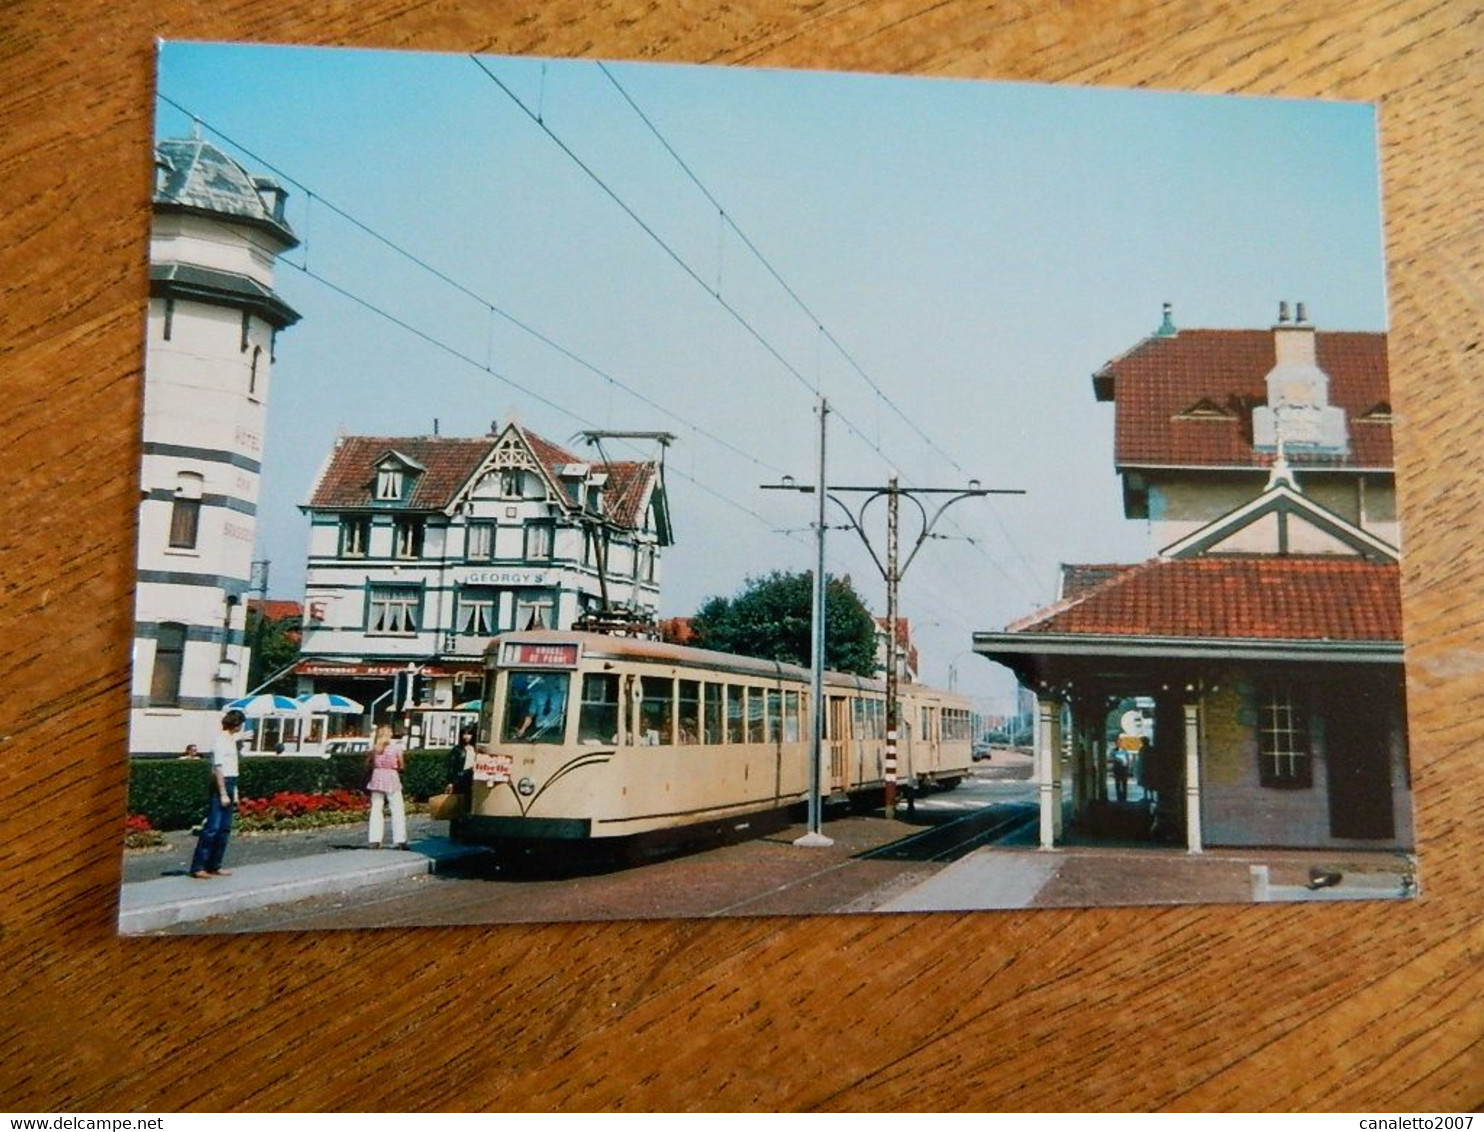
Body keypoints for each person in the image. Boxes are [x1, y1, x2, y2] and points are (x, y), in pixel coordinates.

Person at [190, 709, 245, 879]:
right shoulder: (220, 741)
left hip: (231, 782)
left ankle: (215, 864)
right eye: (240, 723)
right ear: (236, 724)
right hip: (221, 784)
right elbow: (218, 768)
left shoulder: (231, 741)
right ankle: (199, 866)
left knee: (224, 828)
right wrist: (223, 793)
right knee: (212, 827)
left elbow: (232, 769)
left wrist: (234, 793)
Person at [366, 722, 408, 850]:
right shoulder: (396, 747)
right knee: (397, 809)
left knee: (376, 809)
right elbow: (401, 765)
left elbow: (367, 764)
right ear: (389, 734)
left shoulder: (374, 748)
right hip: (391, 777)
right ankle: (400, 840)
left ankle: (375, 840)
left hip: (377, 777)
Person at [444, 723, 477, 809]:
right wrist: (451, 782)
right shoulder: (457, 749)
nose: (466, 736)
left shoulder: (476, 748)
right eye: (464, 734)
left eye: (469, 734)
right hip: (460, 779)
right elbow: (452, 766)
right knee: (459, 803)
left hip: (473, 778)